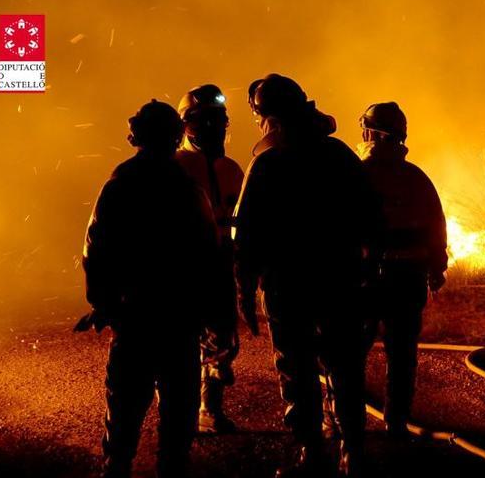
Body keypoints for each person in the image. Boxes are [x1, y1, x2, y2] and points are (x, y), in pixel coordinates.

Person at [78, 100, 234, 477]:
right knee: (178, 411)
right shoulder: (187, 188)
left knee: (125, 405)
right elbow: (209, 256)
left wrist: (104, 303)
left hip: (134, 317)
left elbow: (95, 249)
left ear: (136, 136)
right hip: (180, 318)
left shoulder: (119, 184)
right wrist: (217, 316)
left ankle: (116, 468)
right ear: (176, 136)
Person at [233, 74, 378, 477]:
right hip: (340, 280)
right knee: (345, 367)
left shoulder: (266, 163)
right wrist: (368, 273)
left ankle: (311, 454)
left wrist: (244, 289)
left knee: (296, 370)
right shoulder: (339, 155)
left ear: (270, 117)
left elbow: (245, 232)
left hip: (288, 284)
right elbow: (371, 217)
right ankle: (353, 454)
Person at [356, 102, 447, 439]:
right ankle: (396, 422)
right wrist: (437, 269)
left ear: (368, 132)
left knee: (349, 354)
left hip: (363, 281)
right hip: (408, 281)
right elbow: (437, 229)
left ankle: (341, 423)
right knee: (403, 353)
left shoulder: (355, 176)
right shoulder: (417, 179)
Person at [176, 84, 256, 435]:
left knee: (221, 340)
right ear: (186, 124)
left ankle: (209, 409)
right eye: (202, 119)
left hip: (222, 262)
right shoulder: (173, 168)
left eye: (217, 119)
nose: (212, 127)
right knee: (179, 342)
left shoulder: (232, 170)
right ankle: (178, 414)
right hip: (182, 266)